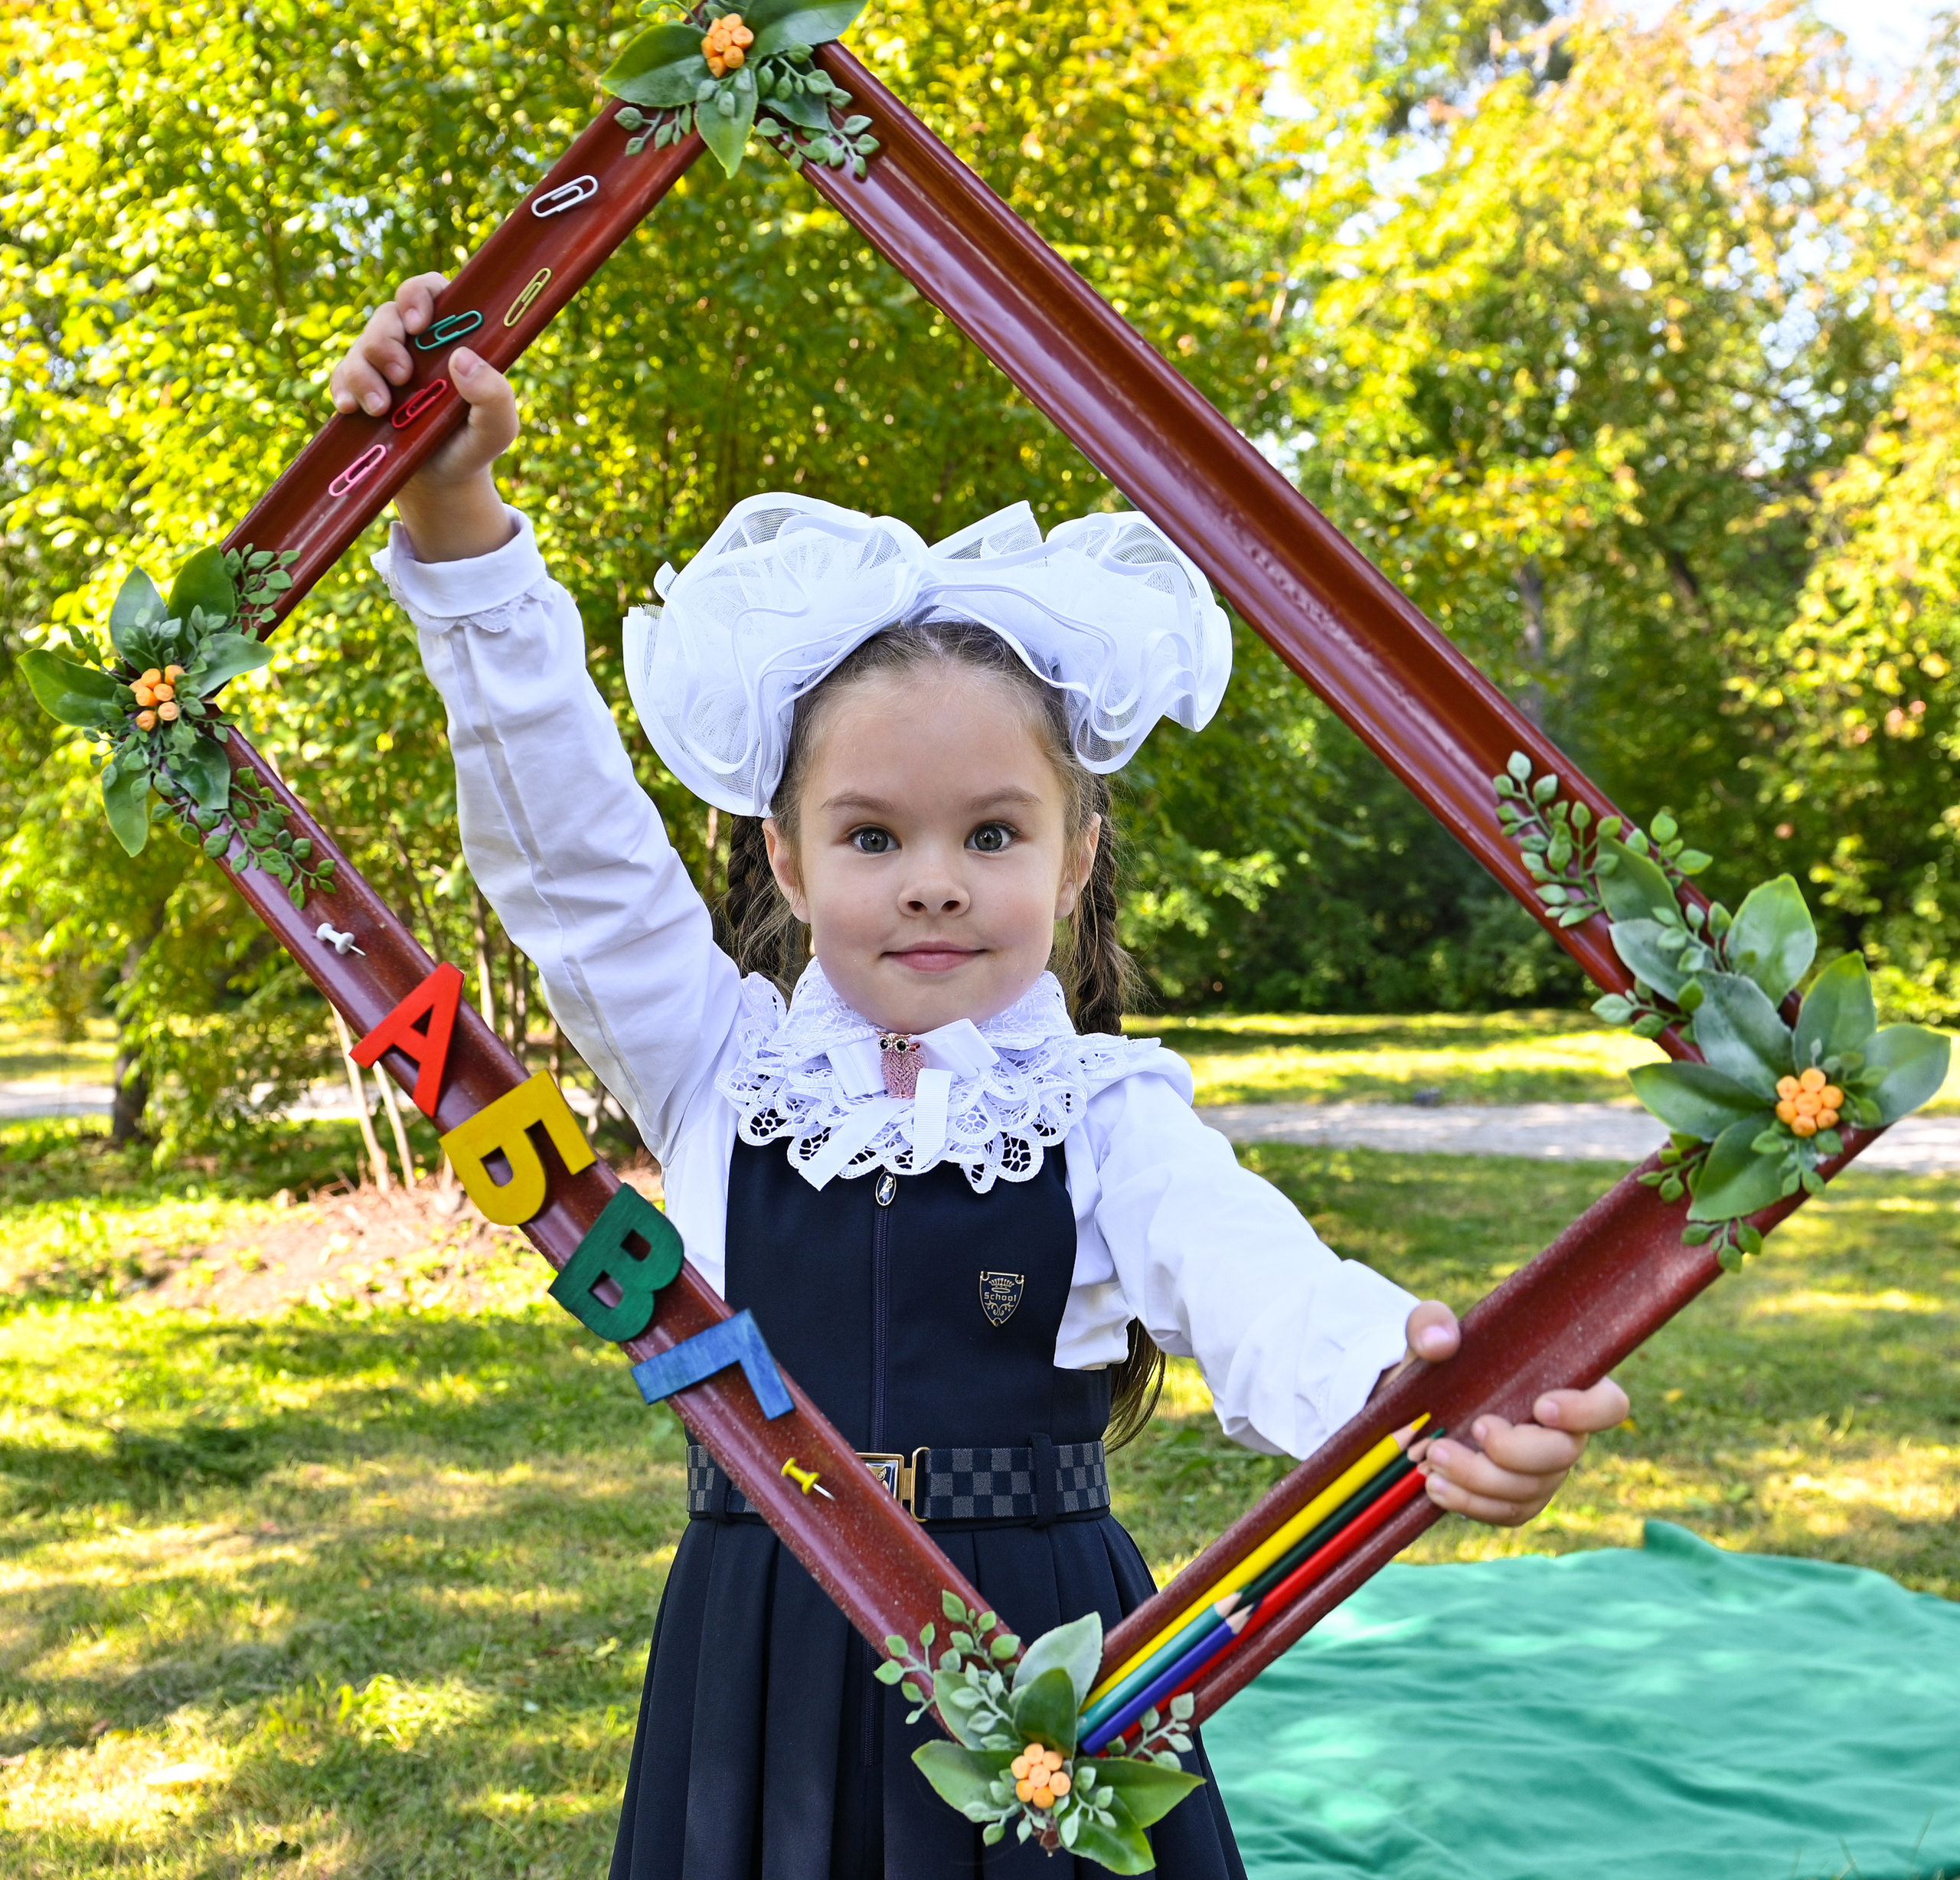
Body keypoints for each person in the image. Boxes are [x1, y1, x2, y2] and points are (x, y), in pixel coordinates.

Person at [337, 279, 1631, 1879]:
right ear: (788, 861)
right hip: (766, 1642)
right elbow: (571, 851)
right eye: (874, 835)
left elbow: (1257, 1283)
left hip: (1044, 1662)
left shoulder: (1101, 1115)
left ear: (1074, 859)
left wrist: (1416, 1395)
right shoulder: (718, 1064)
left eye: (992, 833)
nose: (934, 881)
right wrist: (456, 516)